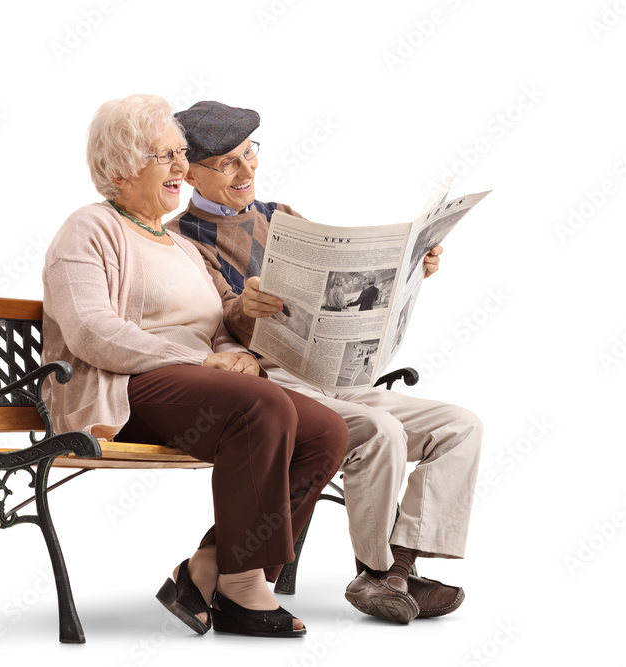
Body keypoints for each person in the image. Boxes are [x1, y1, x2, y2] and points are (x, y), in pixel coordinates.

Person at [40, 94, 347, 637]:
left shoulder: (179, 246)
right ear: (119, 167)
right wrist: (201, 360)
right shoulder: (88, 229)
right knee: (264, 407)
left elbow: (219, 330)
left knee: (324, 430)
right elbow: (91, 331)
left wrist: (233, 358)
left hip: (197, 388)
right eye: (166, 156)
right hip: (125, 388)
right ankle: (246, 585)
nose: (183, 167)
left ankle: (210, 568)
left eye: (182, 154)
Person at [166, 100, 482, 625]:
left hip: (332, 376)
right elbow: (219, 324)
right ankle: (379, 577)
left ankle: (399, 569)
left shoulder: (282, 217)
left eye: (250, 155)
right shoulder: (182, 241)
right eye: (227, 163)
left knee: (460, 426)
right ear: (190, 171)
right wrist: (246, 307)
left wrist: (411, 269)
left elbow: (343, 278)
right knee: (380, 429)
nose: (247, 172)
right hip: (269, 384)